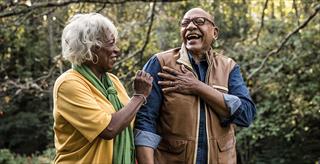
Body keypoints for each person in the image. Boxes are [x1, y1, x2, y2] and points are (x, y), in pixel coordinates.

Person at [134, 8, 256, 164]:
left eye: (199, 21)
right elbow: (145, 120)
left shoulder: (229, 67)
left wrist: (198, 87)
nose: (190, 26)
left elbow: (246, 115)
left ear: (215, 33)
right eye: (185, 23)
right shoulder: (161, 63)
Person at [53, 13, 153, 163]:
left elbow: (130, 120)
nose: (117, 50)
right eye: (111, 43)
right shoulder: (68, 84)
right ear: (90, 48)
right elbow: (109, 129)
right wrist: (139, 96)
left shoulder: (113, 82)